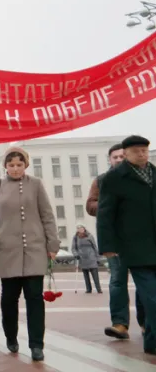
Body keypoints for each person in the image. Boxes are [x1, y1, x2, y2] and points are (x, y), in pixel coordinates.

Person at [0, 147, 59, 362]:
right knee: (9, 298)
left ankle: (36, 345)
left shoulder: (36, 184)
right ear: (5, 166)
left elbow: (48, 216)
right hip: (8, 250)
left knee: (34, 298)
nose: (15, 168)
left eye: (19, 164)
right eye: (11, 164)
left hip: (35, 248)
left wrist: (53, 244)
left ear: (26, 165)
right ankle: (11, 337)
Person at [97, 134, 156, 355]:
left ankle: (151, 341)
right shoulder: (114, 179)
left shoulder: (154, 173)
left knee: (151, 298)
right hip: (133, 247)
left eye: (145, 150)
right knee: (152, 296)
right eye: (137, 151)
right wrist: (107, 245)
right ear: (127, 153)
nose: (142, 154)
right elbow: (105, 214)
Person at [88, 143, 145, 339]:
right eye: (115, 157)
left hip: (140, 239)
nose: (119, 160)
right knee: (117, 281)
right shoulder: (103, 180)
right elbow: (90, 204)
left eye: (122, 156)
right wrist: (108, 207)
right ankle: (120, 323)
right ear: (110, 160)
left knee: (144, 282)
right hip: (116, 240)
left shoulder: (143, 177)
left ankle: (147, 323)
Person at [72, 225, 102, 294]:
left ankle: (98, 289)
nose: (80, 229)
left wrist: (97, 258)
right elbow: (73, 248)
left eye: (81, 228)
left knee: (95, 274)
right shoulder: (75, 237)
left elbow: (95, 246)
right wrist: (76, 254)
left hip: (91, 257)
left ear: (84, 229)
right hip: (82, 258)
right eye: (78, 228)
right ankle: (88, 289)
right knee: (86, 275)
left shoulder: (89, 236)